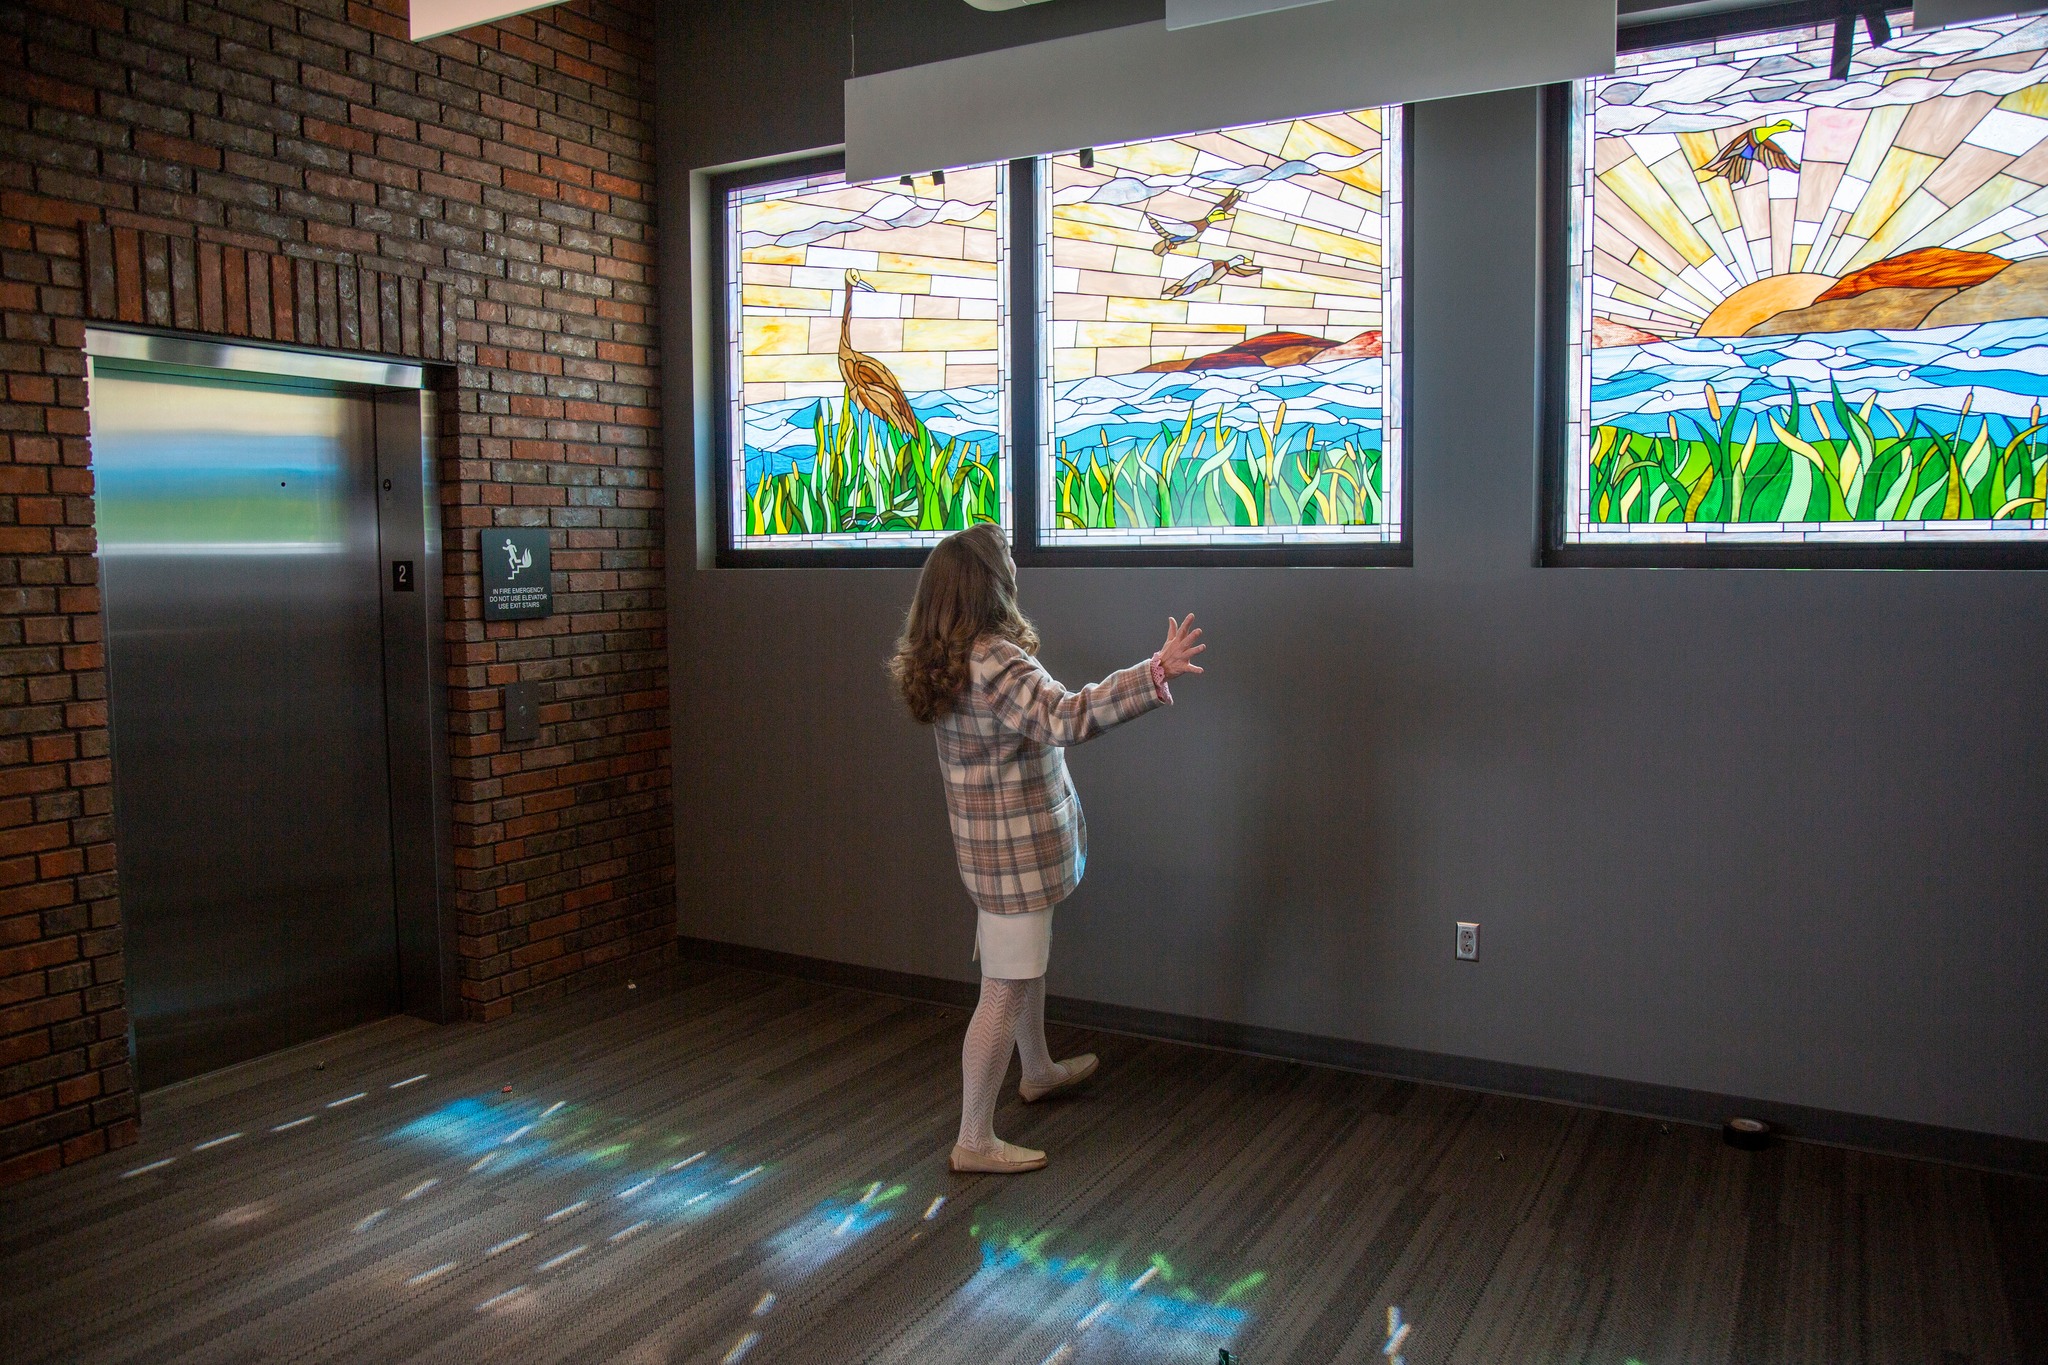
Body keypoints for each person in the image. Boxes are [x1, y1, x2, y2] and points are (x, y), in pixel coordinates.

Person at [888, 523, 1206, 1174]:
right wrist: (1151, 674)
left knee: (1022, 965)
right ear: (987, 585)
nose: (1014, 563)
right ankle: (973, 1136)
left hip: (990, 854)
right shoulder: (994, 659)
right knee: (1003, 987)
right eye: (1006, 559)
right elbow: (1066, 715)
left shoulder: (945, 654)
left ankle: (1036, 1069)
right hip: (1015, 860)